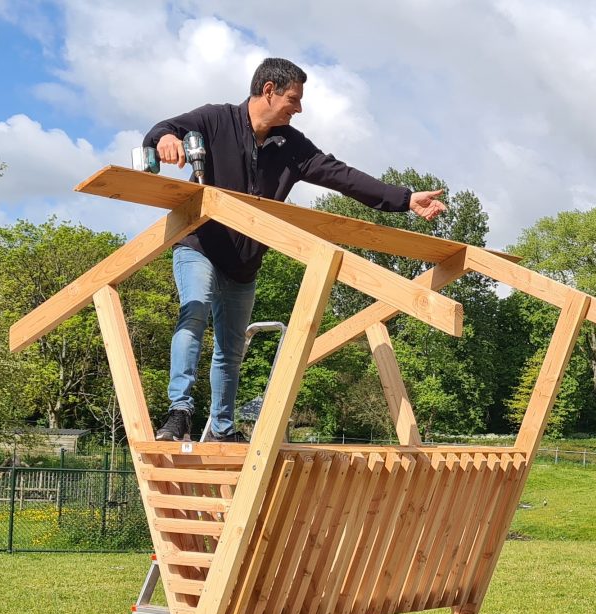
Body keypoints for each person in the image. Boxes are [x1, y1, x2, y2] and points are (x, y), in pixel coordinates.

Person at [143, 57, 447, 442]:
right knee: (196, 309)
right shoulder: (216, 119)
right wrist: (165, 139)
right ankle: (179, 412)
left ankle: (222, 429)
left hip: (243, 263)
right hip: (199, 245)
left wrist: (405, 200)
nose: (298, 109)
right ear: (268, 90)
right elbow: (165, 129)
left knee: (231, 348)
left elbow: (342, 176)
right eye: (294, 99)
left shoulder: (291, 146)